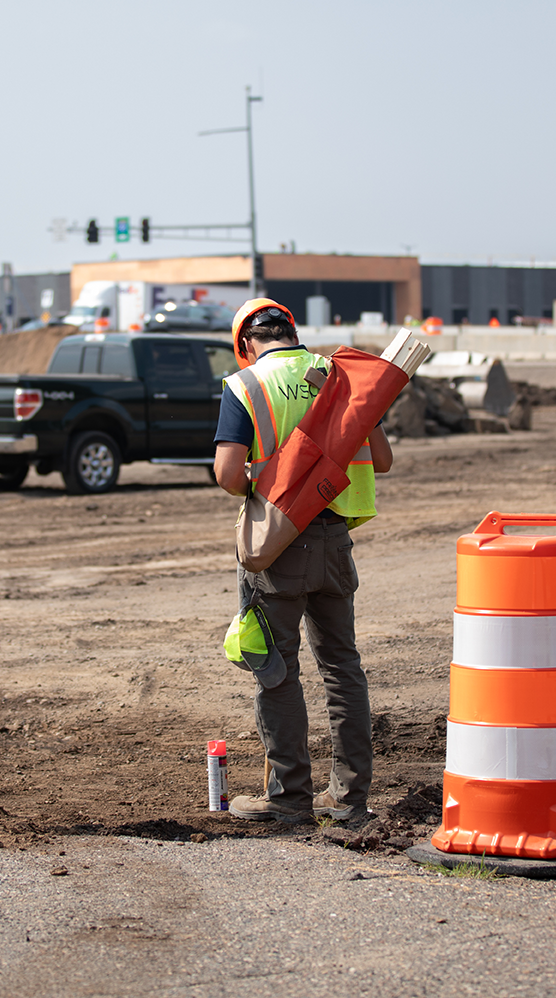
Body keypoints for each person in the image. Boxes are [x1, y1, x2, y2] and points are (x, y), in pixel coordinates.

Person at [212, 299, 394, 824]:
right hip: (335, 541)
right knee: (342, 668)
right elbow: (382, 460)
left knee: (277, 669)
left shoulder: (245, 385)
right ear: (293, 332)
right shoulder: (339, 377)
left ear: (246, 344)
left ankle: (289, 798)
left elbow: (228, 474)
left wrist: (266, 484)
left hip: (279, 544)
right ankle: (349, 798)